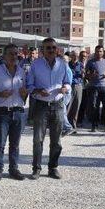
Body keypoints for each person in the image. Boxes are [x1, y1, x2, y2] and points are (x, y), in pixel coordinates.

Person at [26, 37, 73, 180]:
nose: (51, 50)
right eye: (48, 48)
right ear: (42, 50)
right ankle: (36, 169)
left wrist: (66, 88)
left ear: (57, 49)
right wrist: (38, 91)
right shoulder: (35, 65)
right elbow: (29, 86)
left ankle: (53, 167)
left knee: (56, 140)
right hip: (41, 106)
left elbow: (68, 82)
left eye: (53, 47)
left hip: (58, 105)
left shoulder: (63, 64)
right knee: (37, 139)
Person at [0, 44, 29, 181]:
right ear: (4, 56)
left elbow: (24, 97)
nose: (14, 57)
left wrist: (24, 94)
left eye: (16, 54)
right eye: (11, 54)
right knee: (0, 144)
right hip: (2, 113)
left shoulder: (22, 72)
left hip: (18, 112)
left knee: (15, 144)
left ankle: (13, 169)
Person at [85, 45, 105, 132]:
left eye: (100, 51)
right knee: (94, 107)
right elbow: (86, 75)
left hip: (103, 87)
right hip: (93, 87)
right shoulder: (90, 62)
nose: (98, 53)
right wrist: (91, 75)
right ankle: (94, 126)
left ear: (103, 52)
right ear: (95, 51)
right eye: (97, 51)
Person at [66, 50, 84, 129]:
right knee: (68, 105)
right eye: (73, 55)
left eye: (76, 55)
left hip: (79, 86)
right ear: (71, 56)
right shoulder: (68, 65)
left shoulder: (80, 64)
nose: (75, 56)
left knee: (77, 106)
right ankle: (65, 125)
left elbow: (83, 75)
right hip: (70, 86)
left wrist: (84, 74)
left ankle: (73, 125)